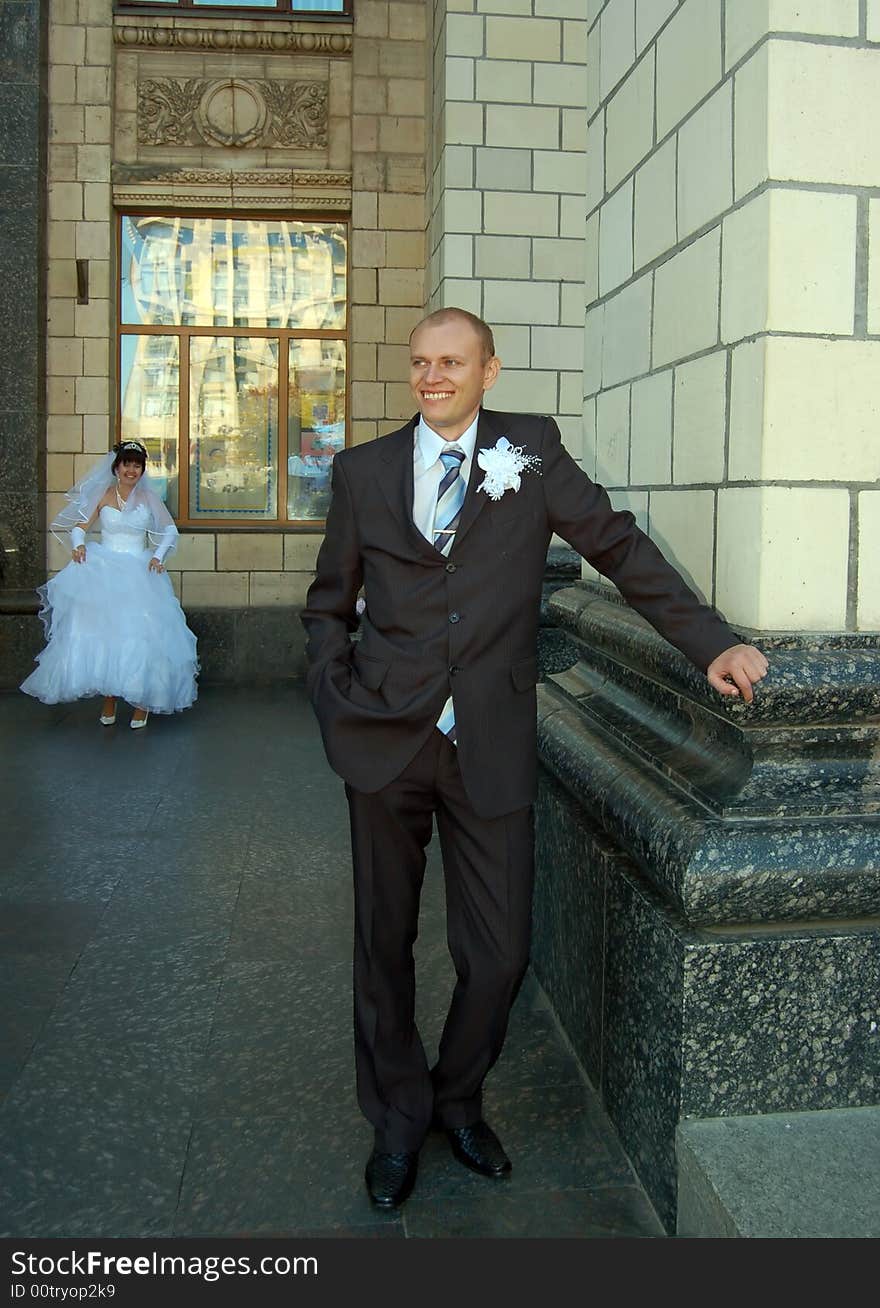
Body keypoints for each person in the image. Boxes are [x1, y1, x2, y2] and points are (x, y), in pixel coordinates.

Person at [301, 308, 768, 1209]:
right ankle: (398, 1122)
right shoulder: (362, 472)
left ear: (489, 372)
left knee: (501, 952)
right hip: (383, 740)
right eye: (420, 363)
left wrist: (708, 642)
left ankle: (458, 1097)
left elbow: (619, 546)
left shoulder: (534, 450)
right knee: (380, 944)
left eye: (451, 362)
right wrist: (334, 694)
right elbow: (329, 604)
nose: (431, 377)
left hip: (492, 738)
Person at [21, 439, 198, 727]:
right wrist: (78, 545)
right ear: (117, 468)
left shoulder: (148, 498)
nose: (131, 470)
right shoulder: (103, 494)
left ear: (142, 470)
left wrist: (158, 556)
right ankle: (109, 695)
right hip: (104, 568)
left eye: (137, 466)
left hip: (139, 572)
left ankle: (142, 701)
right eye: (127, 464)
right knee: (105, 632)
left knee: (141, 634)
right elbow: (79, 527)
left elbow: (169, 530)